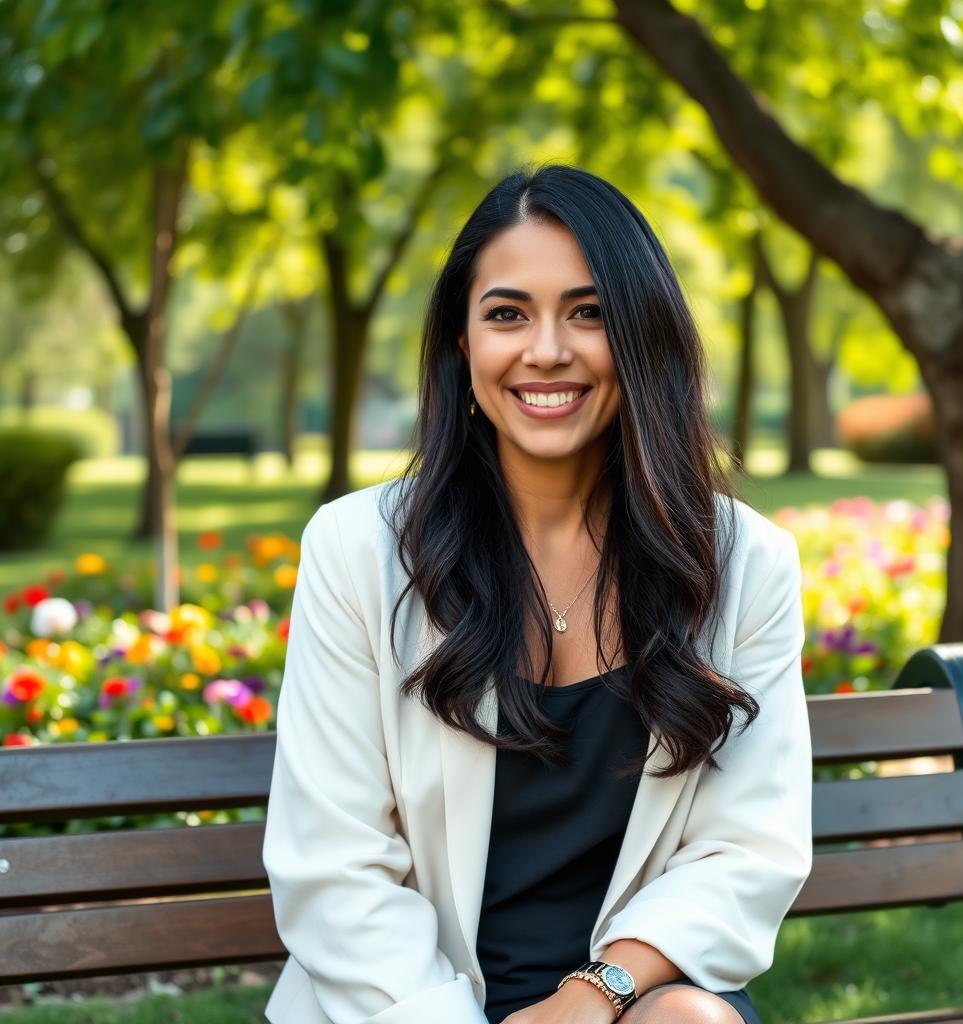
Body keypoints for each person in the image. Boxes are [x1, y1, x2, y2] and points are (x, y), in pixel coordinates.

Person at [262, 163, 812, 1024]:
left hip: (635, 997)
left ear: (641, 336)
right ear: (462, 343)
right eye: (507, 313)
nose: (546, 349)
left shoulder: (743, 563)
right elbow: (336, 867)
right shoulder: (359, 549)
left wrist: (596, 994)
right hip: (404, 1005)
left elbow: (749, 850)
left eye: (588, 313)